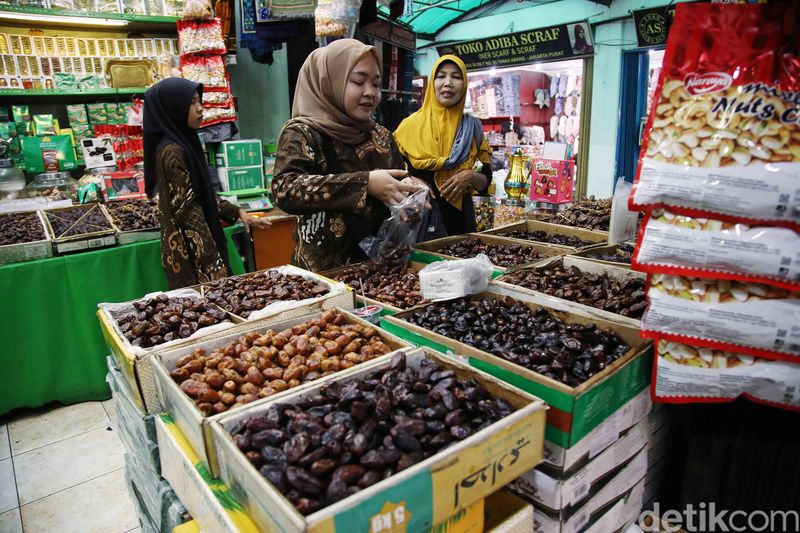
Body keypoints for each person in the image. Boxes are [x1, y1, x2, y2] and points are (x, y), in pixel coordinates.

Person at [272, 39, 422, 272]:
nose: (370, 92)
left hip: (382, 269)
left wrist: (411, 191)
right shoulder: (303, 132)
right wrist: (365, 184)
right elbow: (285, 189)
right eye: (358, 81)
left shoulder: (380, 134)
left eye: (376, 84)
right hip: (326, 275)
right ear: (330, 81)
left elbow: (399, 178)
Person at [143, 77, 269, 289]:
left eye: (199, 101)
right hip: (193, 254)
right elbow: (188, 210)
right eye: (191, 102)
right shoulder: (173, 152)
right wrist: (212, 262)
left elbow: (201, 193)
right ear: (172, 108)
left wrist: (237, 212)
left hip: (198, 250)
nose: (200, 108)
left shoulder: (184, 143)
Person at [394, 55, 492, 236]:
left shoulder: (473, 128)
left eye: (456, 76)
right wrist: (410, 180)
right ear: (432, 82)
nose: (448, 83)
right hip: (418, 222)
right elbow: (394, 174)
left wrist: (469, 175)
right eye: (441, 76)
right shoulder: (409, 126)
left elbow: (485, 180)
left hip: (461, 224)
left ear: (464, 85)